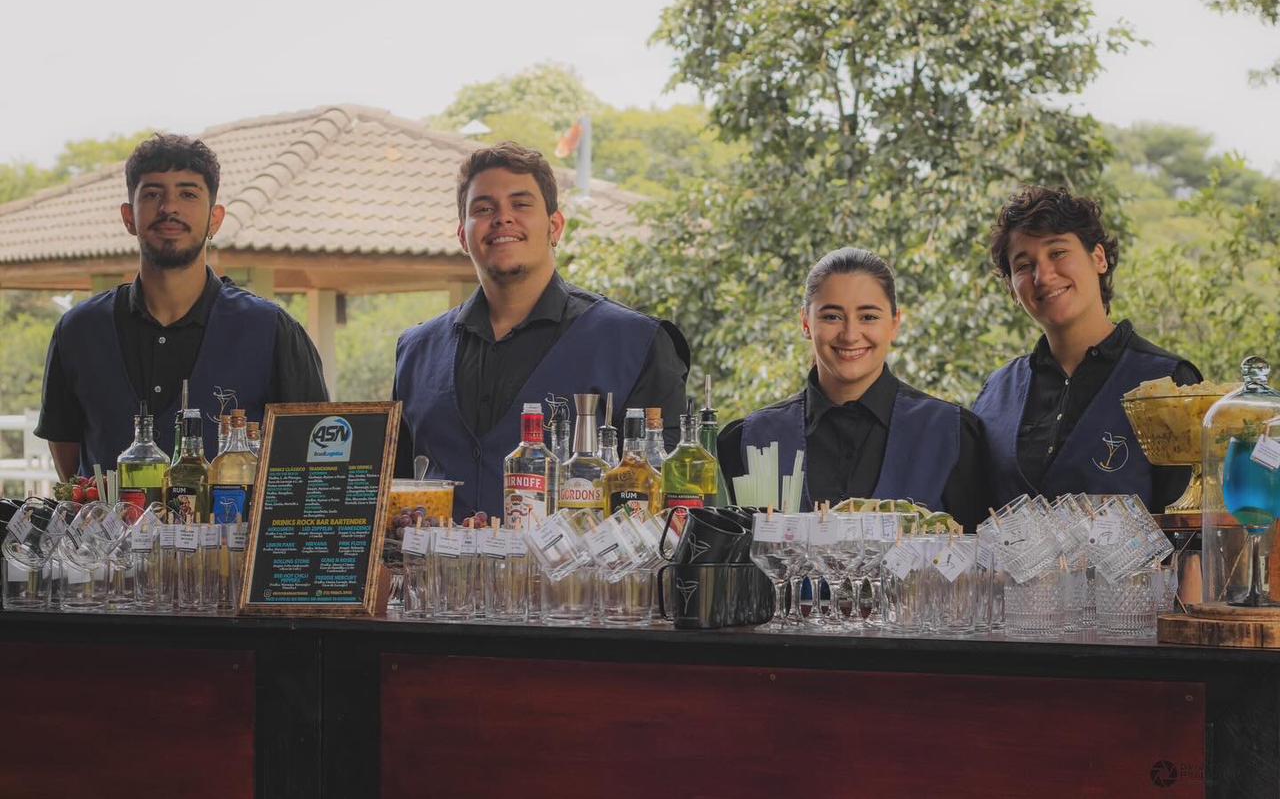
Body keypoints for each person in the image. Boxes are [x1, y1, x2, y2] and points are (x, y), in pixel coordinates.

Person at [394, 142, 689, 521]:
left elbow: (675, 506)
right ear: (463, 236)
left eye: (521, 204)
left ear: (555, 226)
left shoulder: (637, 343)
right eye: (483, 208)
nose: (502, 218)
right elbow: (395, 492)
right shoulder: (415, 352)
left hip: (581, 577)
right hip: (438, 578)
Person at [35, 134, 328, 478]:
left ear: (215, 219)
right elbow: (67, 451)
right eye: (153, 194)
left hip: (231, 532)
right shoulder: (79, 331)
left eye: (188, 194)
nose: (169, 207)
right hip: (108, 533)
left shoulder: (273, 330)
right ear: (129, 217)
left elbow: (315, 454)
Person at [719, 247, 990, 530]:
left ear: (895, 323)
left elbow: (981, 564)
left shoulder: (951, 434)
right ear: (805, 323)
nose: (850, 335)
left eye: (869, 317)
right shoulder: (749, 440)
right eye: (832, 316)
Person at [973, 186, 1201, 512]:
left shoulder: (1168, 383)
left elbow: (1193, 529)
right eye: (1023, 265)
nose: (1044, 275)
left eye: (1058, 253)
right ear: (1012, 287)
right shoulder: (997, 392)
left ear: (1098, 258)